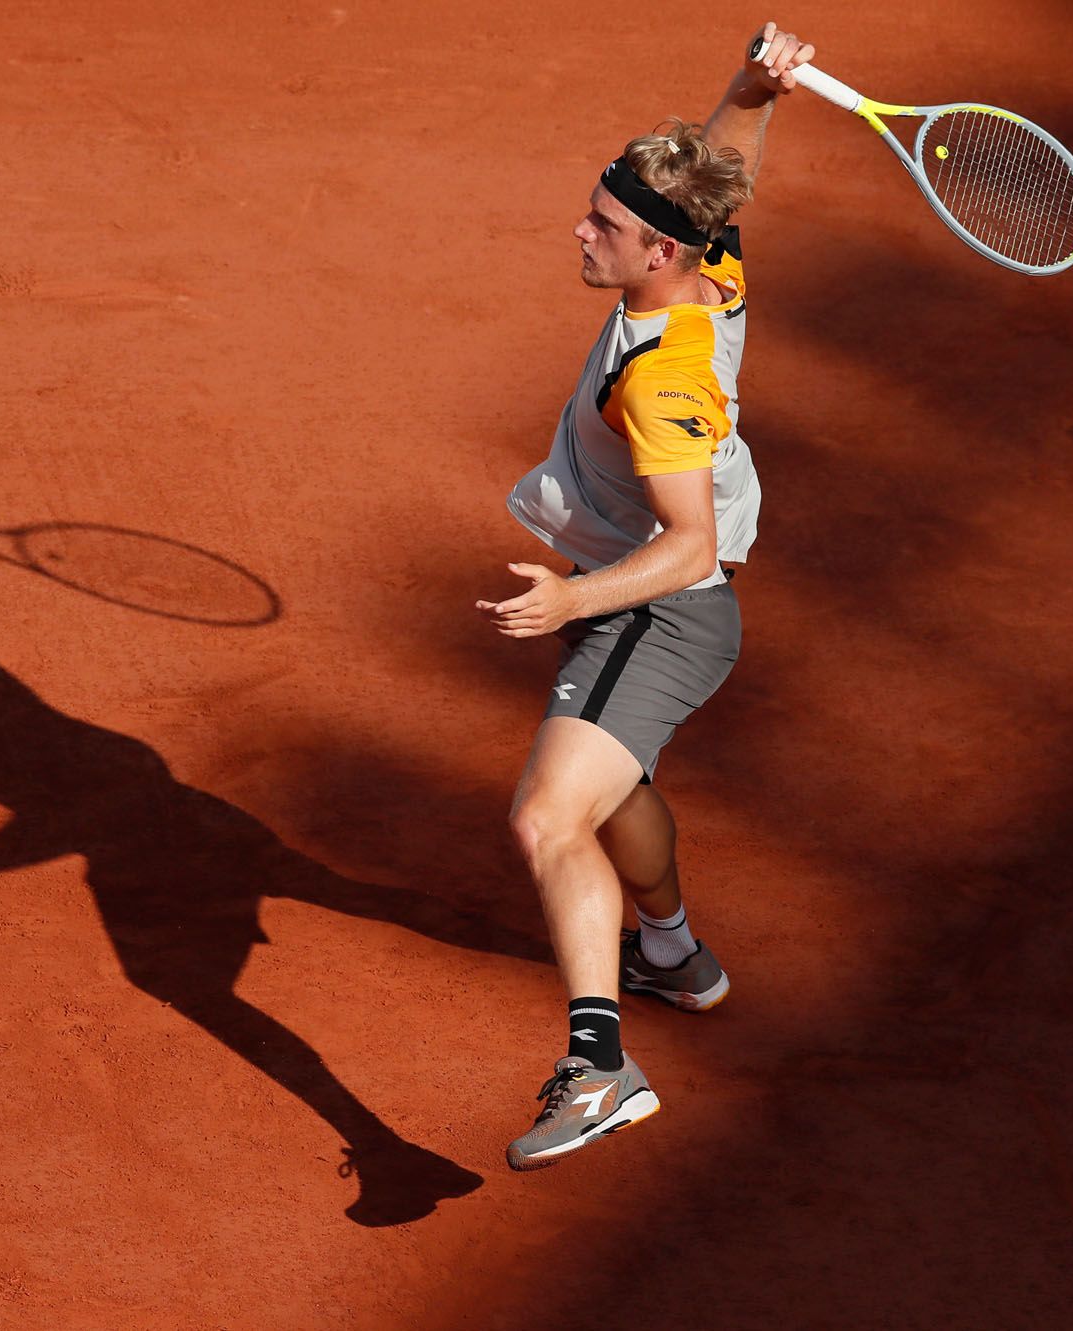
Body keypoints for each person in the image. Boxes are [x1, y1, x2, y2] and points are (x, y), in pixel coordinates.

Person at [476, 22, 814, 1171]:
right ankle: (670, 954)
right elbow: (723, 181)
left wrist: (575, 605)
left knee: (545, 816)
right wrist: (749, 90)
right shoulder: (703, 262)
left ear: (658, 256)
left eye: (605, 227)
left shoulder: (659, 380)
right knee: (616, 788)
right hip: (650, 597)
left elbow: (688, 547)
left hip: (659, 606)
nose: (582, 229)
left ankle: (597, 1062)